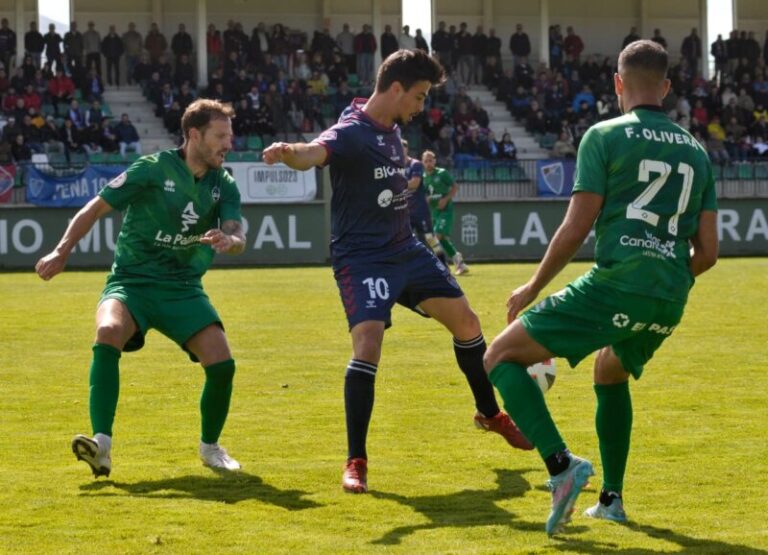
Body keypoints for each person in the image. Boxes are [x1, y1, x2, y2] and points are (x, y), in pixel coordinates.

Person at [262, 49, 531, 494]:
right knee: (368, 344)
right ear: (395, 89)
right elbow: (313, 153)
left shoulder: (392, 132)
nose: (422, 106)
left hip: (406, 249)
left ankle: (489, 413)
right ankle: (356, 460)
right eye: (419, 96)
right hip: (362, 257)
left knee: (467, 323)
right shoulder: (351, 131)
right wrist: (289, 152)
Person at [482, 40, 718, 535]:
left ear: (617, 83)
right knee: (610, 370)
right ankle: (610, 499)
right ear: (668, 88)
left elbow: (575, 227)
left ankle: (561, 466)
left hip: (618, 284)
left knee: (499, 358)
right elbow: (709, 252)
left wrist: (531, 286)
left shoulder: (604, 136)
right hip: (671, 296)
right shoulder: (697, 152)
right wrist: (666, 276)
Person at [35, 99, 246, 478]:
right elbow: (94, 209)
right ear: (194, 135)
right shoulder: (152, 169)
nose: (228, 144)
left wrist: (231, 241)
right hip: (131, 282)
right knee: (107, 331)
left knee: (223, 363)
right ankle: (102, 446)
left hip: (182, 286)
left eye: (229, 137)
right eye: (220, 136)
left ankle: (211, 447)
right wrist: (61, 250)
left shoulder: (223, 184)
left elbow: (236, 231)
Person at [421, 150, 469, 275]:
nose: (428, 163)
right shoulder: (424, 177)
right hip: (434, 211)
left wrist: (445, 199)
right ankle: (459, 261)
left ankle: (437, 265)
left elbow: (455, 187)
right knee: (440, 239)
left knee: (436, 236)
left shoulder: (442, 173)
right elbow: (425, 193)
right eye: (426, 161)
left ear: (435, 161)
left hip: (445, 210)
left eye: (430, 160)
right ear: (422, 162)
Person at [401, 138, 445, 264]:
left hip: (420, 210)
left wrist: (395, 185)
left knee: (430, 238)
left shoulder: (416, 164)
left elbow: (415, 184)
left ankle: (443, 264)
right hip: (404, 211)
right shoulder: (394, 166)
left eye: (402, 148)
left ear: (406, 149)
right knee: (404, 240)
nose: (399, 150)